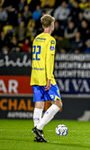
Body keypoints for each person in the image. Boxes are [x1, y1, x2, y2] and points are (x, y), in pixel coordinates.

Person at [30, 14, 63, 142]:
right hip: (45, 76)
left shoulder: (36, 38)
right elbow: (49, 60)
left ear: (43, 25)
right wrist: (49, 78)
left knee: (40, 102)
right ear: (52, 25)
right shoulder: (51, 40)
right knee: (58, 103)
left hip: (35, 75)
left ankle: (37, 135)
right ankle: (39, 128)